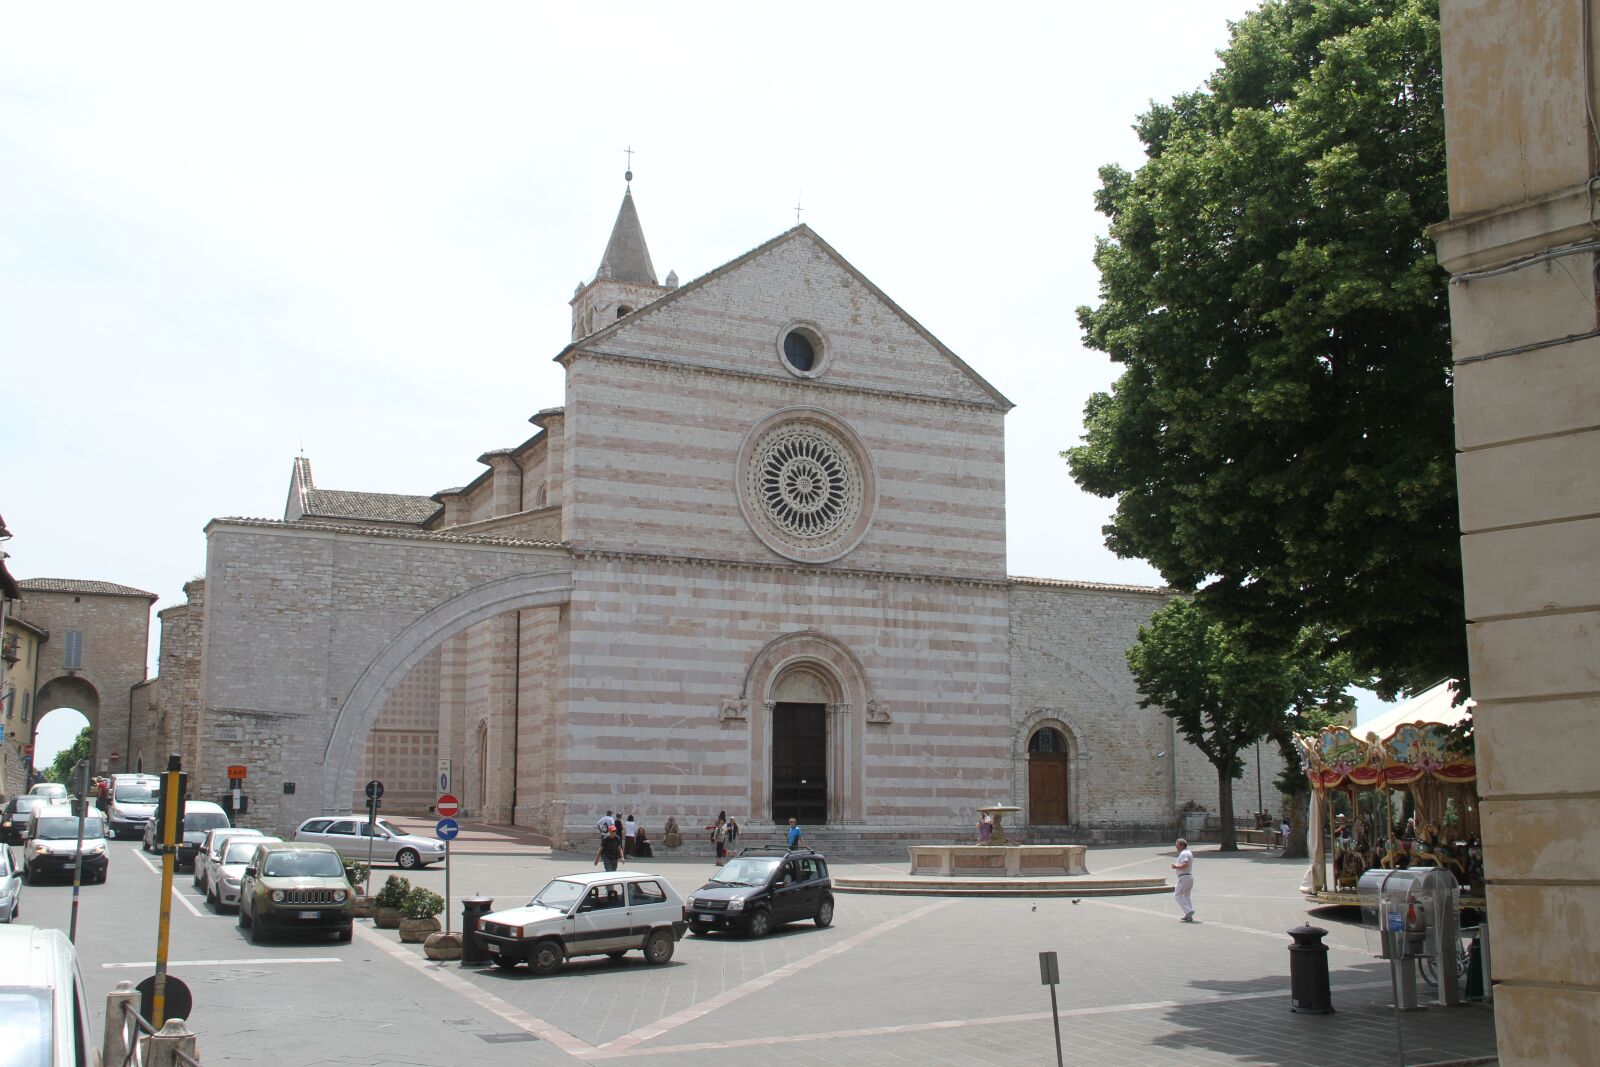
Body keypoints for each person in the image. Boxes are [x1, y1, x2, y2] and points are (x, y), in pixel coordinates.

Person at [1171, 837, 1195, 922]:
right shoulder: (1188, 852)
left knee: (1177, 895)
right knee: (1186, 895)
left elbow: (1185, 864)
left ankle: (1188, 911)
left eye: (1177, 845)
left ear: (1181, 845)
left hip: (1184, 877)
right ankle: (1188, 915)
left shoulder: (1184, 854)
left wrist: (1176, 867)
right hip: (1188, 877)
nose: (1176, 847)